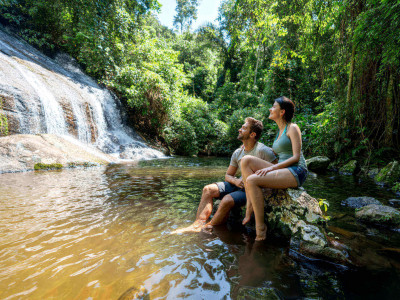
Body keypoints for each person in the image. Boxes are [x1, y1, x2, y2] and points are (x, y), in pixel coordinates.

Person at [173, 117, 276, 234]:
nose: (239, 130)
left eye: (244, 128)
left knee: (226, 200)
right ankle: (197, 224)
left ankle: (207, 226)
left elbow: (277, 170)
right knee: (207, 189)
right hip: (239, 184)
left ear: (252, 134)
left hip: (252, 189)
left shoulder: (263, 150)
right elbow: (228, 175)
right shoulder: (238, 152)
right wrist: (236, 181)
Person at [241, 96, 308, 241]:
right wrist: (250, 144)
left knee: (252, 180)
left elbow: (296, 157)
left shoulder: (293, 128)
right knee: (245, 160)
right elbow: (277, 152)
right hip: (283, 169)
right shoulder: (279, 132)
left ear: (282, 111)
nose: (270, 109)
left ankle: (261, 229)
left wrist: (272, 169)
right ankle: (249, 207)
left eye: (273, 106)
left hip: (297, 170)